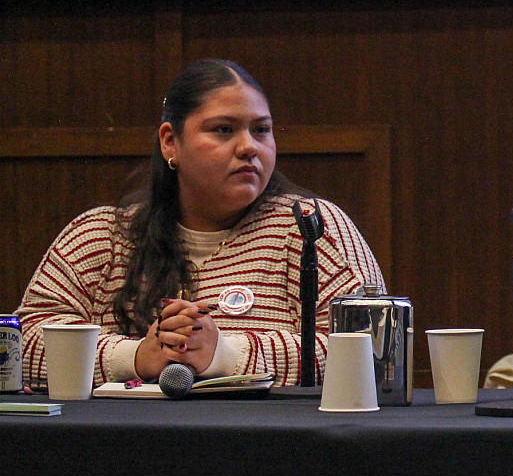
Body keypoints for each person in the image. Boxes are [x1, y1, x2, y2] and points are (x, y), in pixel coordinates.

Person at [17, 58, 384, 388]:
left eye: (261, 130)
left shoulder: (311, 228)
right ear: (170, 142)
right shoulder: (100, 236)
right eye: (224, 130)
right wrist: (136, 358)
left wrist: (223, 354)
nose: (249, 147)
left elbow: (374, 349)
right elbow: (20, 345)